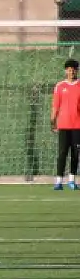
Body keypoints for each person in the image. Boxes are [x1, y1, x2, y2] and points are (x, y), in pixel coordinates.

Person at [51, 58, 80, 190]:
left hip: (77, 125)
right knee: (62, 153)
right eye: (69, 69)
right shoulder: (59, 86)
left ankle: (72, 181)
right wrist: (53, 121)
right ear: (66, 71)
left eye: (74, 69)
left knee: (75, 153)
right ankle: (58, 182)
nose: (71, 71)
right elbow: (55, 106)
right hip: (63, 125)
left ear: (76, 71)